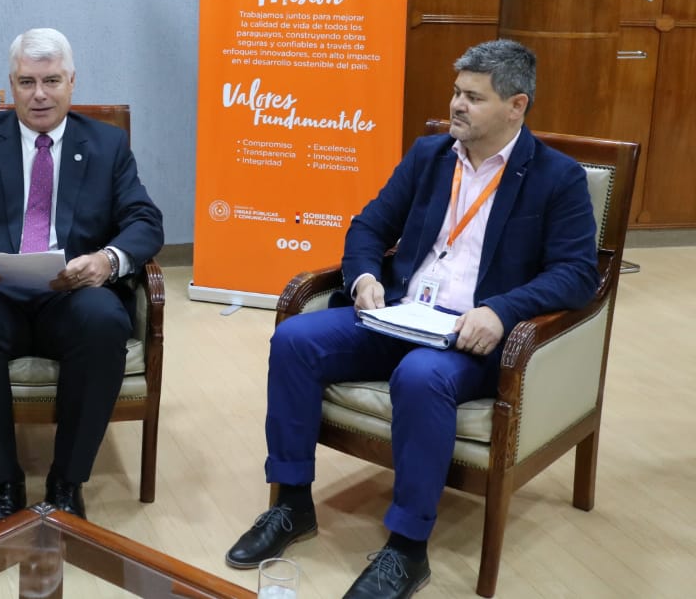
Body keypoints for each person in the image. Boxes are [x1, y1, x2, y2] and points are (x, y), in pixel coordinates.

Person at [224, 40, 599, 599]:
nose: (457, 105)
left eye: (474, 97)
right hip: (401, 314)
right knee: (295, 338)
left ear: (516, 106)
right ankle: (292, 503)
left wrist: (502, 310)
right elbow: (369, 226)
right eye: (456, 92)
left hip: (472, 335)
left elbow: (576, 273)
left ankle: (406, 548)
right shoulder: (430, 155)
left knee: (421, 376)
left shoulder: (556, 176)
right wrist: (364, 278)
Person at [0, 27, 164, 531]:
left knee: (104, 323)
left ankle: (67, 483)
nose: (39, 94)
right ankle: (2, 484)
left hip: (73, 293)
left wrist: (107, 261)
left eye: (52, 81)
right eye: (27, 82)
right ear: (12, 85)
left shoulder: (106, 144)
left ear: (72, 82)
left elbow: (145, 221)